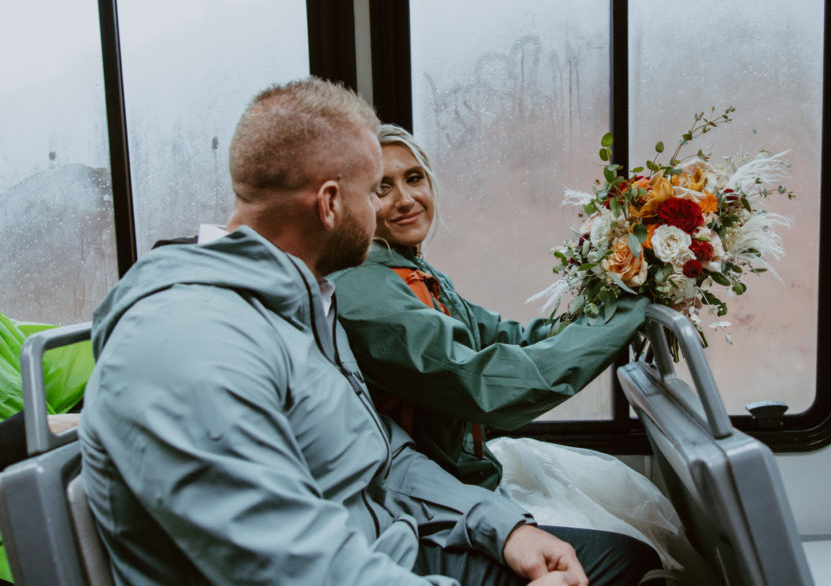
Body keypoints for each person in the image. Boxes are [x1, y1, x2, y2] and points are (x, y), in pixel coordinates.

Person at [78, 77, 657, 586]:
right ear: (331, 203)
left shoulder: (306, 306)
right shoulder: (188, 346)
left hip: (386, 541)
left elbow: (384, 459)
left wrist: (501, 529)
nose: (391, 207)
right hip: (359, 562)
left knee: (619, 560)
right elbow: (293, 570)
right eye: (372, 190)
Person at [328, 125, 650, 490]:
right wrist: (626, 316)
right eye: (382, 188)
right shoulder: (364, 290)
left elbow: (506, 337)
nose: (405, 199)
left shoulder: (408, 269)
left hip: (463, 477)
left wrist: (616, 296)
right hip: (427, 501)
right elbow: (483, 384)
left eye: (413, 178)